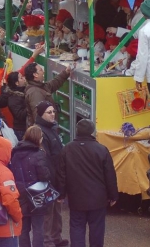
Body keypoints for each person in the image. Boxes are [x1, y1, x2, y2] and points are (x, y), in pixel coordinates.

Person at [57, 119, 117, 247]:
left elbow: (61, 174)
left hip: (76, 198)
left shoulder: (67, 149)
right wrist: (113, 196)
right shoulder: (101, 149)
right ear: (92, 131)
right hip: (98, 199)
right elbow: (110, 175)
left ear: (77, 131)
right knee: (97, 230)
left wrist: (61, 194)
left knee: (77, 228)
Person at [11, 125, 52, 247]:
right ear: (37, 138)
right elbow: (44, 175)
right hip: (36, 194)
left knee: (23, 228)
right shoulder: (39, 154)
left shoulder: (15, 153)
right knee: (38, 227)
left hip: (21, 194)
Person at [34, 101, 68, 247]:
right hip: (49, 179)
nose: (53, 114)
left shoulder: (51, 129)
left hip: (56, 177)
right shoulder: (40, 131)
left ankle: (56, 238)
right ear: (41, 114)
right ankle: (47, 241)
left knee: (57, 211)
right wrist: (52, 179)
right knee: (48, 213)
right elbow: (45, 158)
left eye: (54, 111)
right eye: (49, 112)